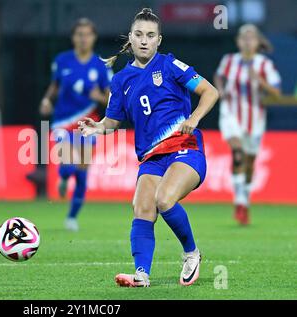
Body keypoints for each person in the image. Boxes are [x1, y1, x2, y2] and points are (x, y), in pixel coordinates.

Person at [78, 8, 219, 287]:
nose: (144, 40)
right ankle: (141, 274)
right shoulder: (120, 81)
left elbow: (210, 91)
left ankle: (191, 253)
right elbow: (112, 122)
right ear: (130, 39)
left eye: (150, 35)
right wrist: (96, 127)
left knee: (164, 199)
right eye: (139, 35)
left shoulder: (170, 65)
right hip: (152, 158)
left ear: (159, 40)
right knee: (142, 207)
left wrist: (193, 118)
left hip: (184, 149)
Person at [39, 18, 112, 232]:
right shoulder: (62, 60)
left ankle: (71, 217)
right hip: (62, 122)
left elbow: (112, 99)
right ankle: (63, 177)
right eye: (79, 34)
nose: (83, 38)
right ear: (73, 37)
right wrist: (46, 100)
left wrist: (99, 96)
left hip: (88, 124)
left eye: (87, 34)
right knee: (68, 162)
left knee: (82, 171)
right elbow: (54, 86)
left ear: (93, 37)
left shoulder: (101, 64)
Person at [214, 24, 281, 225]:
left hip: (255, 118)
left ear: (258, 42)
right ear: (238, 41)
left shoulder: (264, 65)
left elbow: (276, 93)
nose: (247, 41)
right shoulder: (229, 60)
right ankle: (239, 202)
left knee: (250, 163)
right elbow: (218, 76)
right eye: (244, 37)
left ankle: (245, 199)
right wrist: (221, 89)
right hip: (230, 113)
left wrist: (260, 81)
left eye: (251, 38)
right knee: (237, 153)